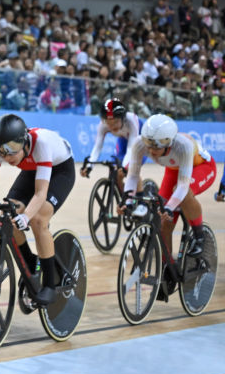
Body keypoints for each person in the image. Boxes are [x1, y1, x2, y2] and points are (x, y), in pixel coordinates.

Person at [0, 114, 76, 306]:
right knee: (8, 215)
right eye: (1, 153)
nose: (7, 157)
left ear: (24, 141)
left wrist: (26, 217)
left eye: (12, 151)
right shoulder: (0, 149)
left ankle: (49, 285)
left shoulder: (41, 144)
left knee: (38, 220)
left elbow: (41, 193)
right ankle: (30, 262)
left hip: (60, 170)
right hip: (33, 169)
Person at [121, 114, 216, 269]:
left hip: (201, 167)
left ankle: (199, 237)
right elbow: (132, 176)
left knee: (182, 195)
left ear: (169, 143)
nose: (151, 151)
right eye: (149, 146)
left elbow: (183, 186)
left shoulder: (183, 145)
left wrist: (170, 207)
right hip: (173, 170)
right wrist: (128, 201)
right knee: (163, 222)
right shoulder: (139, 143)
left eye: (156, 147)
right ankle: (167, 268)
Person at [81, 97, 142, 191]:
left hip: (140, 140)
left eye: (116, 122)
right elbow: (97, 147)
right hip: (123, 139)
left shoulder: (131, 120)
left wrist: (124, 166)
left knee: (132, 170)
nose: (112, 126)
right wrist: (89, 167)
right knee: (115, 172)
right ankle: (124, 196)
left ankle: (140, 196)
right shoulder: (103, 125)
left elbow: (131, 148)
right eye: (109, 123)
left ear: (123, 118)